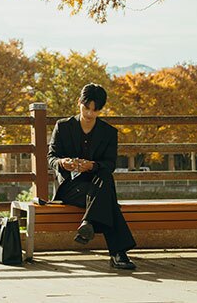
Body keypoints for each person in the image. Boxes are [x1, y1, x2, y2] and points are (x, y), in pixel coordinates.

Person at [47, 83, 137, 270]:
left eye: (94, 111)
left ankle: (88, 223)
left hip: (96, 184)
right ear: (79, 102)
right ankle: (118, 253)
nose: (89, 114)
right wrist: (63, 163)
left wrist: (93, 165)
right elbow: (51, 157)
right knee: (108, 198)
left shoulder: (109, 132)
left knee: (104, 178)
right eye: (86, 108)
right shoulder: (63, 127)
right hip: (71, 188)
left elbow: (110, 164)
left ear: (100, 110)